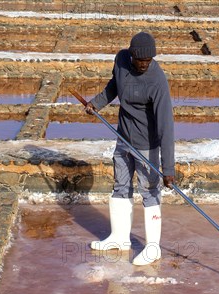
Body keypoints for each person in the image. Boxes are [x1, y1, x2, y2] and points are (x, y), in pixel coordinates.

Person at [84, 32, 175, 266]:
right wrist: (97, 103)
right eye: (141, 60)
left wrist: (168, 167)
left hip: (147, 145)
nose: (145, 64)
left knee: (149, 190)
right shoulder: (122, 60)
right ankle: (119, 238)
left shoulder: (157, 81)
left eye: (149, 60)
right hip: (122, 137)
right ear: (132, 56)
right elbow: (114, 85)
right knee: (120, 185)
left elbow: (166, 126)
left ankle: (153, 247)